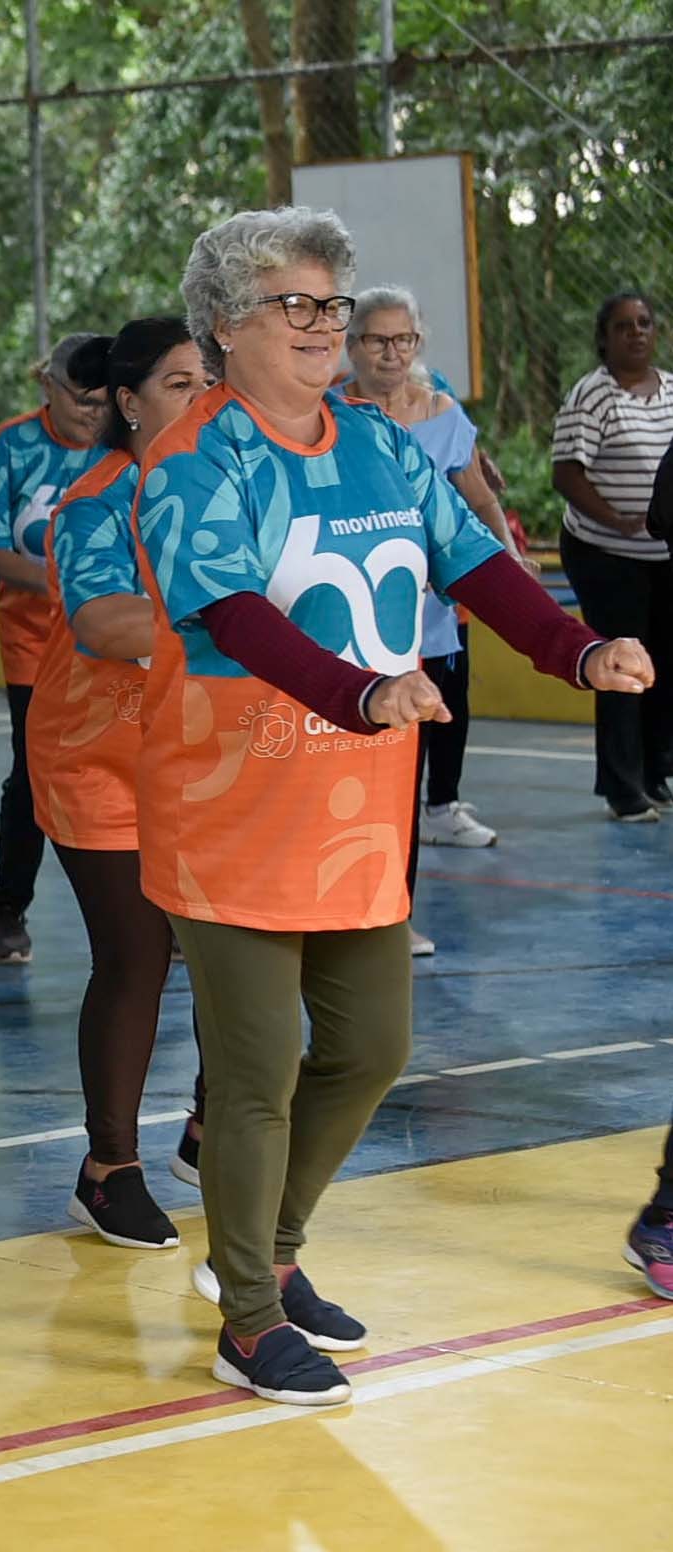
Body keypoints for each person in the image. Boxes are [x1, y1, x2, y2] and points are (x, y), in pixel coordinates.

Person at [139, 207, 648, 1409]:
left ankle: (267, 1251)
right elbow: (231, 614)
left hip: (355, 810)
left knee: (371, 1046)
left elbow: (472, 561)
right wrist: (360, 690)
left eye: (330, 303)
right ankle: (248, 1320)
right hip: (228, 807)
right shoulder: (192, 458)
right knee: (255, 1070)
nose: (323, 325)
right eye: (294, 305)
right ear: (225, 327)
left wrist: (573, 651)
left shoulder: (378, 442)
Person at [30, 317, 213, 1250]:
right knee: (137, 954)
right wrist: (239, 618)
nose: (203, 397)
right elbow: (104, 623)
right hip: (95, 754)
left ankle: (210, 1127)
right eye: (181, 383)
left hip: (198, 752)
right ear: (130, 403)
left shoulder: (224, 482)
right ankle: (107, 1170)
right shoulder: (97, 500)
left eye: (208, 381)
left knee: (232, 944)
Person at [341, 287, 526, 957]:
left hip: (429, 621)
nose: (391, 353)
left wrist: (508, 564)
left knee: (406, 775)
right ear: (352, 345)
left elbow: (477, 498)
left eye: (404, 340)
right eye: (376, 340)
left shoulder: (443, 416)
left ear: (418, 344)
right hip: (353, 620)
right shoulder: (327, 413)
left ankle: (396, 915)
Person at [0, 336, 109, 965]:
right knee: (32, 775)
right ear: (46, 385)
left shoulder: (125, 446)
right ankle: (8, 905)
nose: (92, 413)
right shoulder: (13, 444)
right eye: (80, 399)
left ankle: (158, 907)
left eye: (102, 401)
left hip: (112, 640)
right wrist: (73, 584)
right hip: (35, 642)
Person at [553, 291, 673, 822]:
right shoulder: (591, 396)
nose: (636, 333)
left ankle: (655, 773)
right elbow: (566, 473)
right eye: (624, 325)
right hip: (605, 553)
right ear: (604, 338)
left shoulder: (670, 389)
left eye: (644, 323)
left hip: (664, 554)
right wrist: (619, 520)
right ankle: (623, 788)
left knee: (663, 663)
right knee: (623, 665)